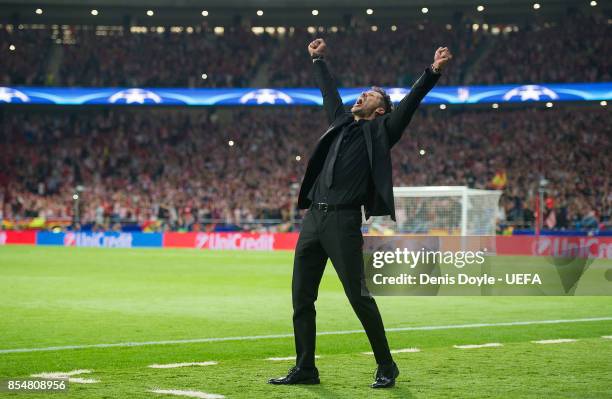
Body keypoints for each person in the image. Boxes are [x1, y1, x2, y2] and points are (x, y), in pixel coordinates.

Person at [268, 38, 451, 389]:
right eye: (363, 92)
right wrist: (319, 60)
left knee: (358, 296)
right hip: (314, 221)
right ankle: (305, 367)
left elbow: (411, 103)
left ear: (381, 110)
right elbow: (329, 94)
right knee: (301, 298)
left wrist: (433, 72)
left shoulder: (382, 131)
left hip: (343, 221)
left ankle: (387, 366)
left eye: (371, 95)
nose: (362, 95)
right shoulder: (340, 121)